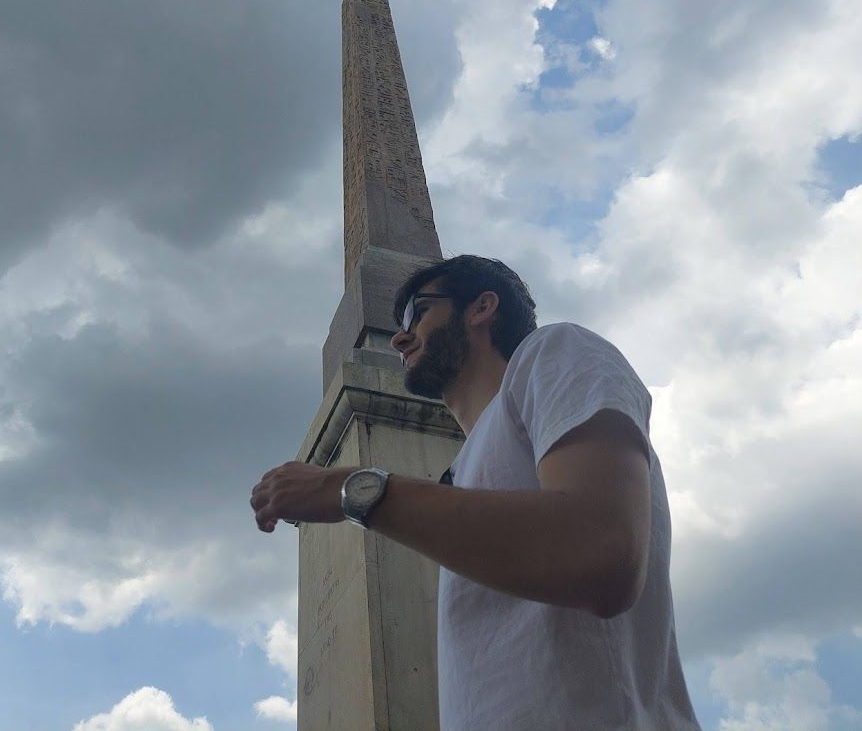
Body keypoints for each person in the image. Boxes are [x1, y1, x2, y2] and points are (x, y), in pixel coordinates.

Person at [250, 255, 701, 730]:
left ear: (482, 307)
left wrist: (352, 488)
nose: (401, 336)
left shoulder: (556, 350)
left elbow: (598, 549)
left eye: (418, 313)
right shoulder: (466, 469)